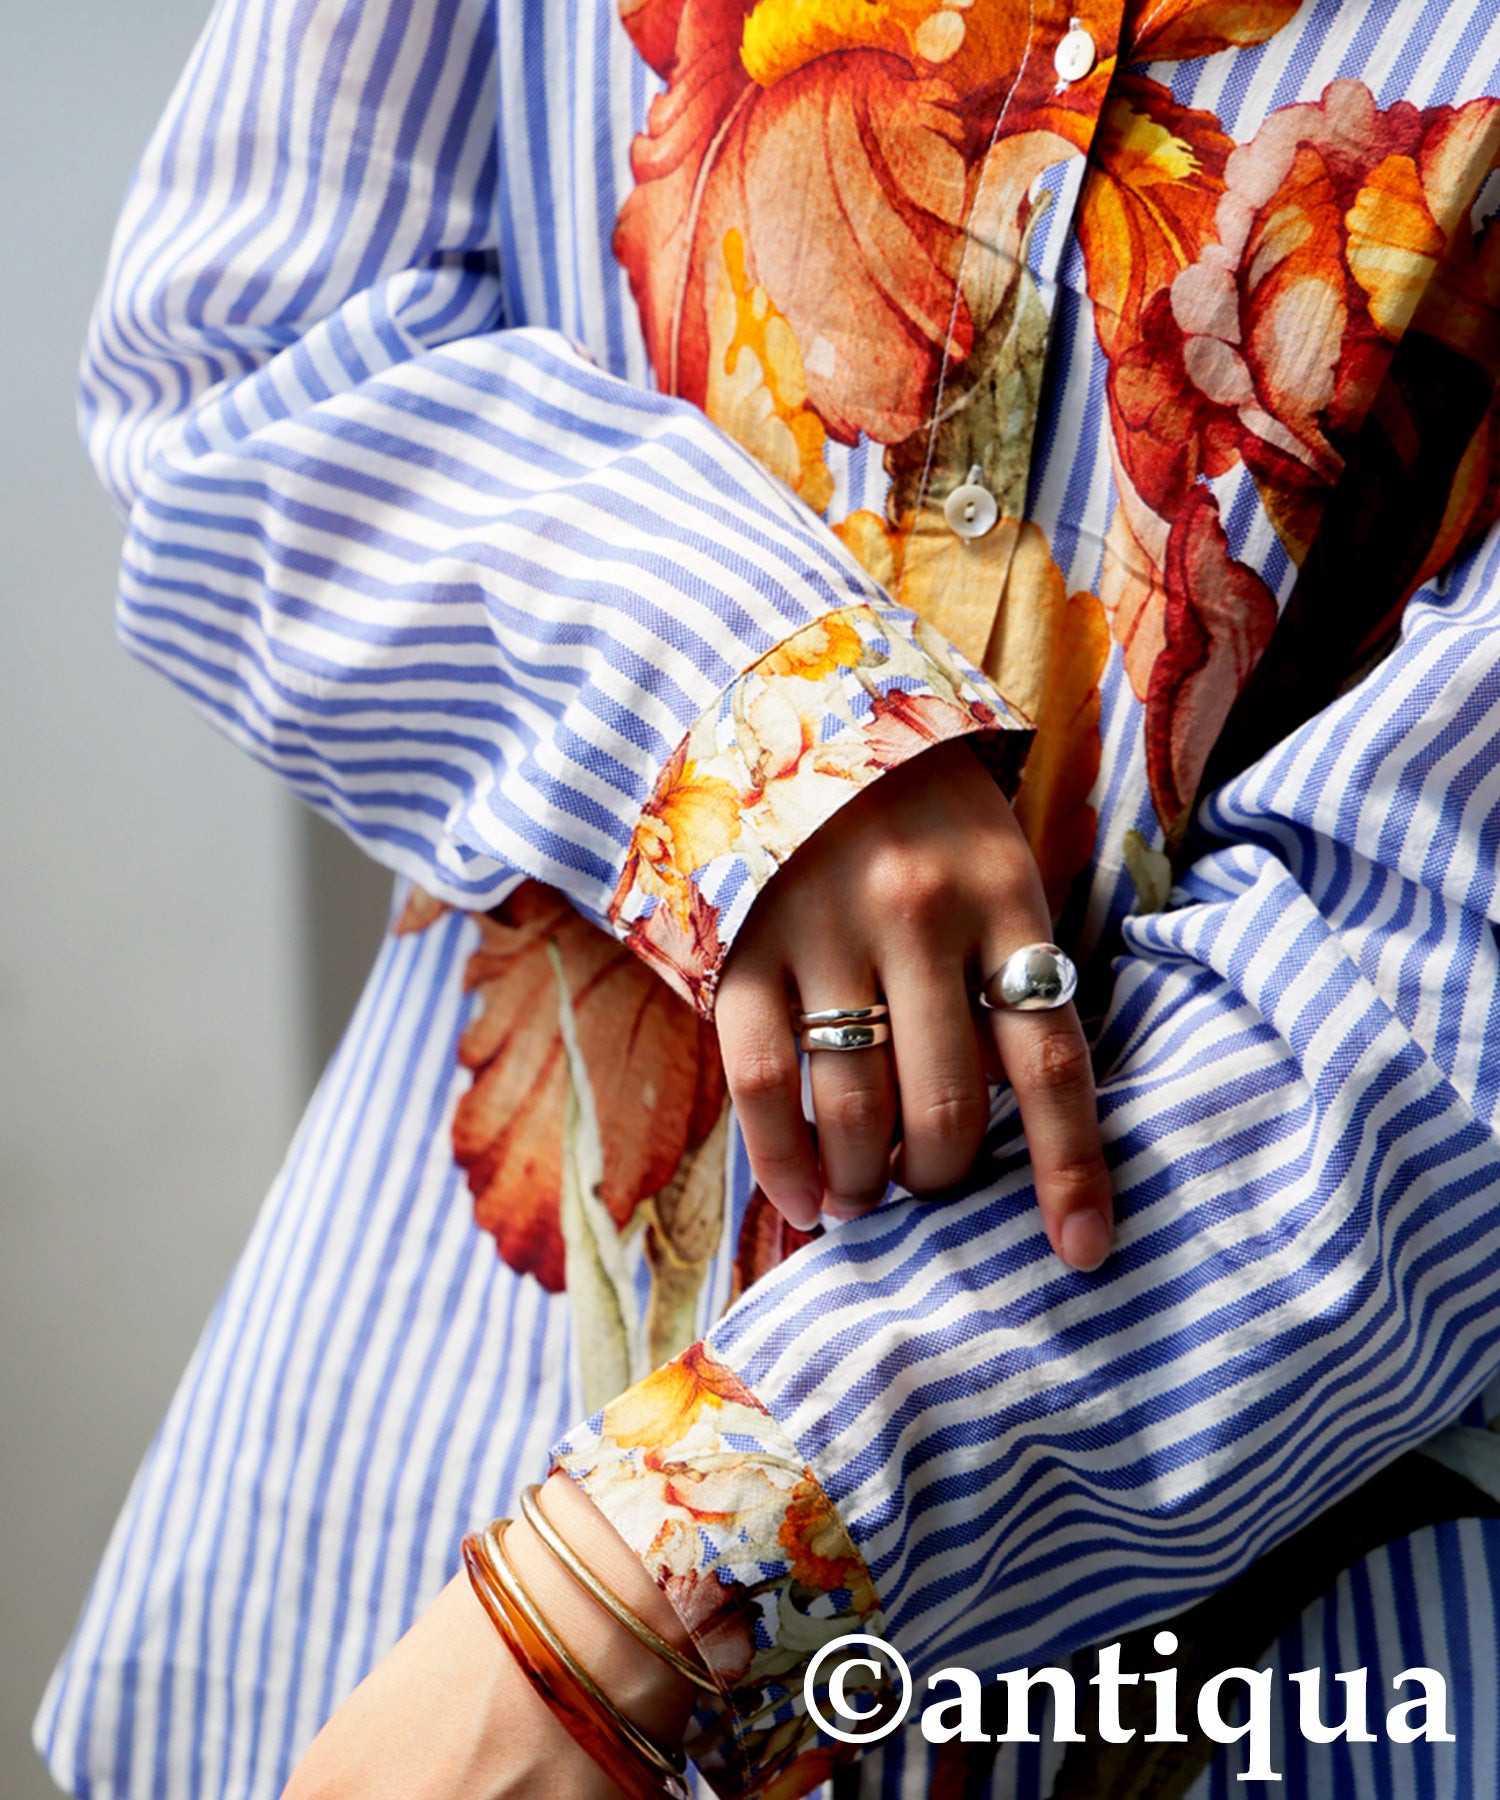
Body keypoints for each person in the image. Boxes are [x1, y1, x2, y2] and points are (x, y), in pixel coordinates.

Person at [33, 0, 1500, 1794]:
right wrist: (761, 722)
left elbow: (1444, 985)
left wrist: (645, 1606)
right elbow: (240, 358)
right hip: (397, 1508)